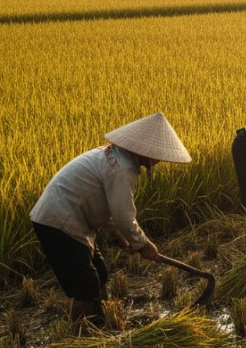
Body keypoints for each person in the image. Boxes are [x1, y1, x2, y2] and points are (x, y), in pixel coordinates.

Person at [29, 112, 191, 321]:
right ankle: (80, 338)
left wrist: (118, 238)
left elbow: (108, 211)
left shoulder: (114, 156)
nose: (159, 160)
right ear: (145, 151)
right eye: (157, 154)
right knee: (86, 286)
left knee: (101, 273)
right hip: (59, 222)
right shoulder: (122, 168)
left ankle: (102, 320)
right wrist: (144, 244)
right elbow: (124, 217)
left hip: (68, 221)